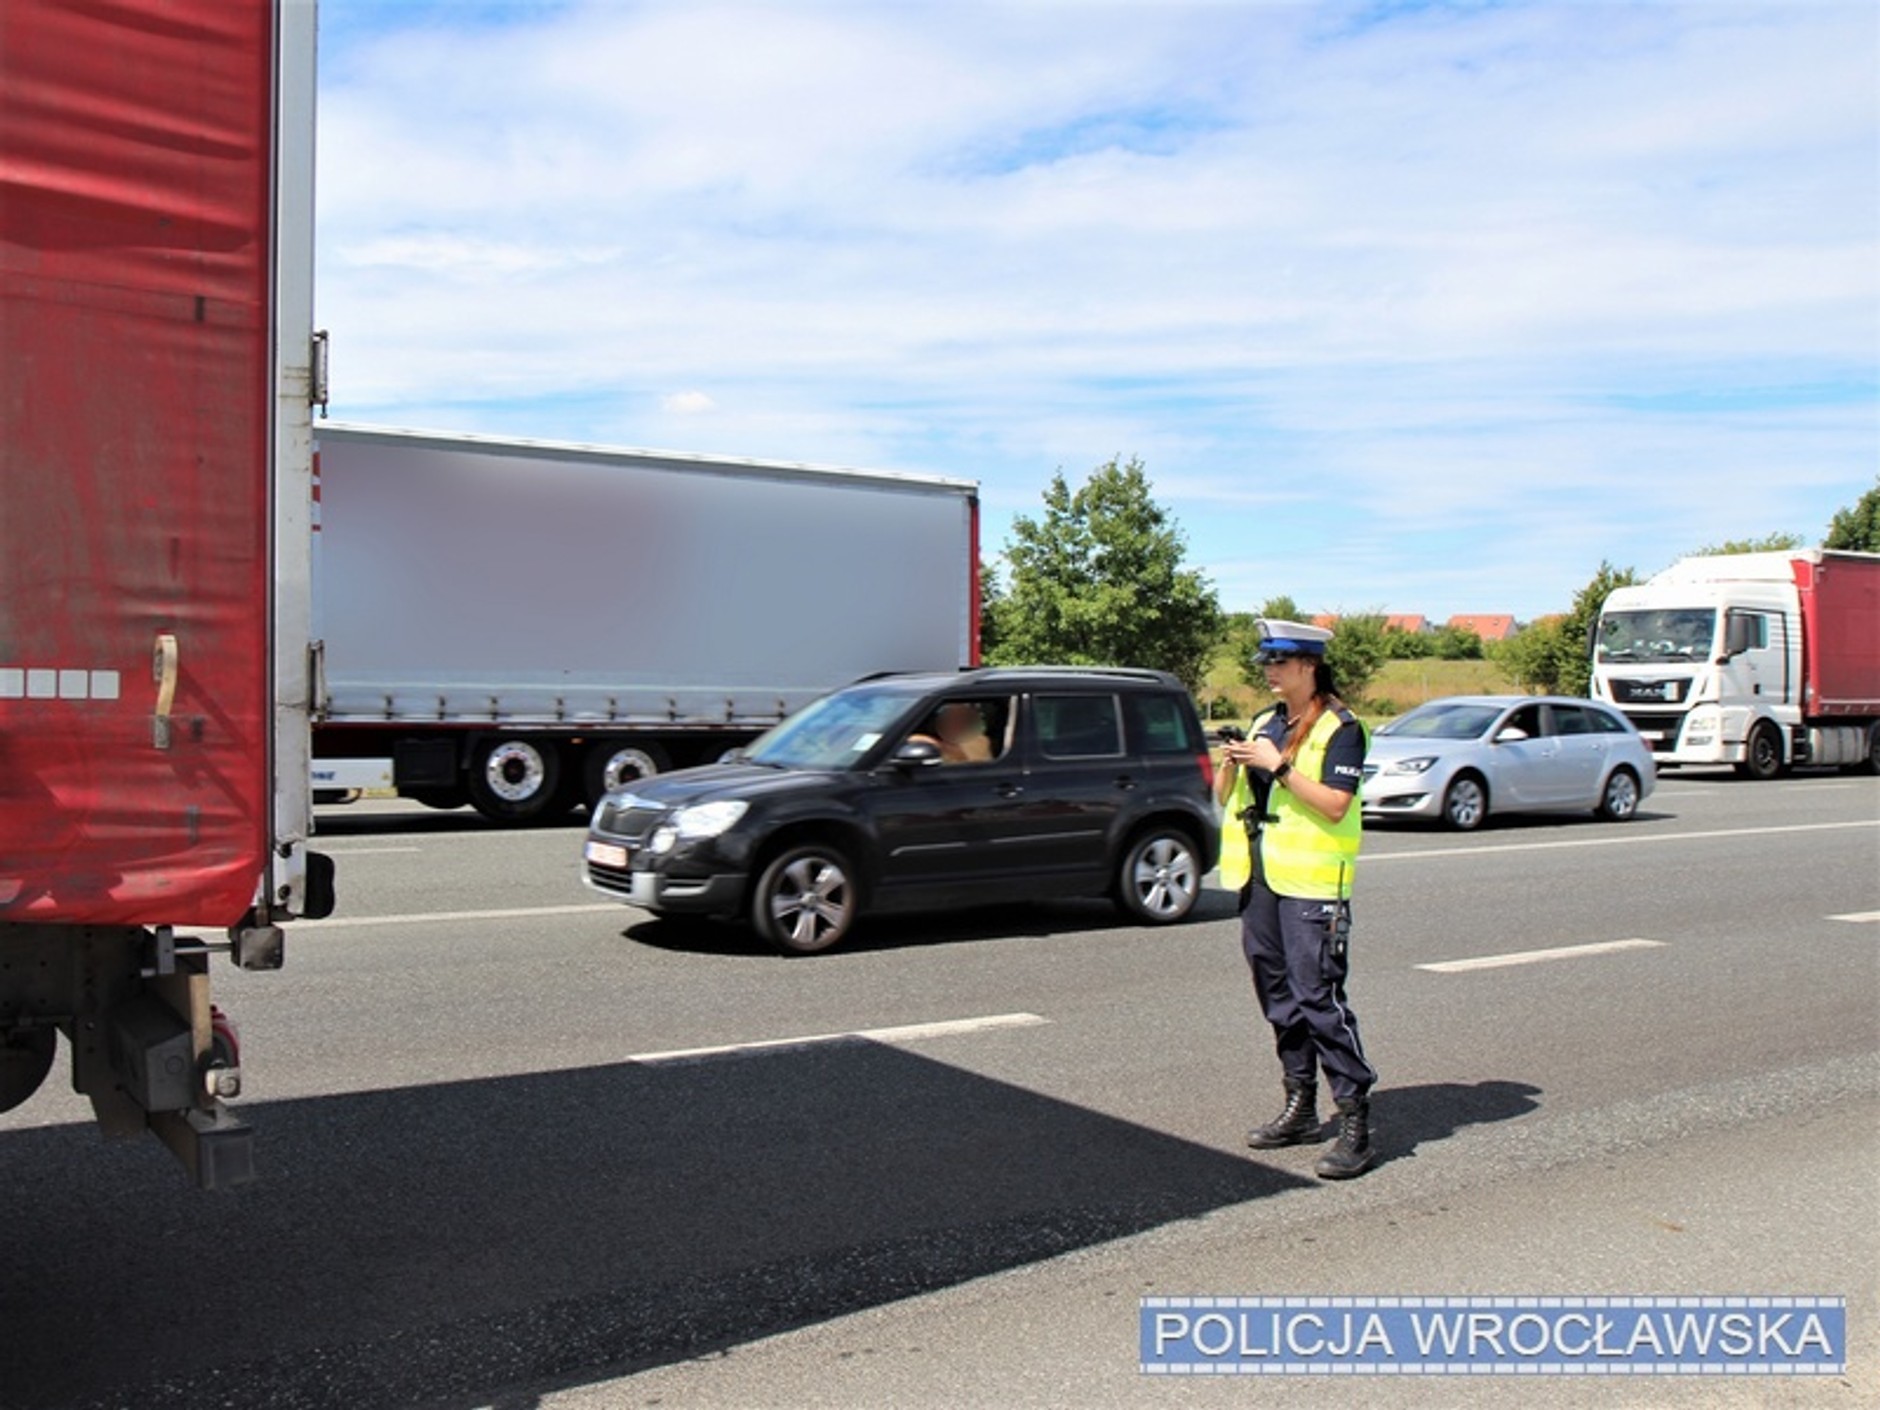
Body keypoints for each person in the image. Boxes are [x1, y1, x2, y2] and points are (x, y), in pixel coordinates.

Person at [1216, 619, 1378, 1178]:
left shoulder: (1341, 727)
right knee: (1278, 996)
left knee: (1318, 998)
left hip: (1313, 884)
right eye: (1266, 662)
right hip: (1262, 878)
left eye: (1279, 662)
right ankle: (1301, 1105)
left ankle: (1355, 1118)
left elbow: (1335, 805)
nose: (1269, 671)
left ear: (1309, 666)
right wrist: (1231, 762)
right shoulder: (1267, 722)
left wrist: (1278, 766)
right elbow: (1223, 796)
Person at [910, 701, 995, 764]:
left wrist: (940, 747)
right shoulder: (923, 741)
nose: (955, 723)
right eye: (950, 719)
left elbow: (977, 769)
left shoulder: (980, 742)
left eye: (961, 719)